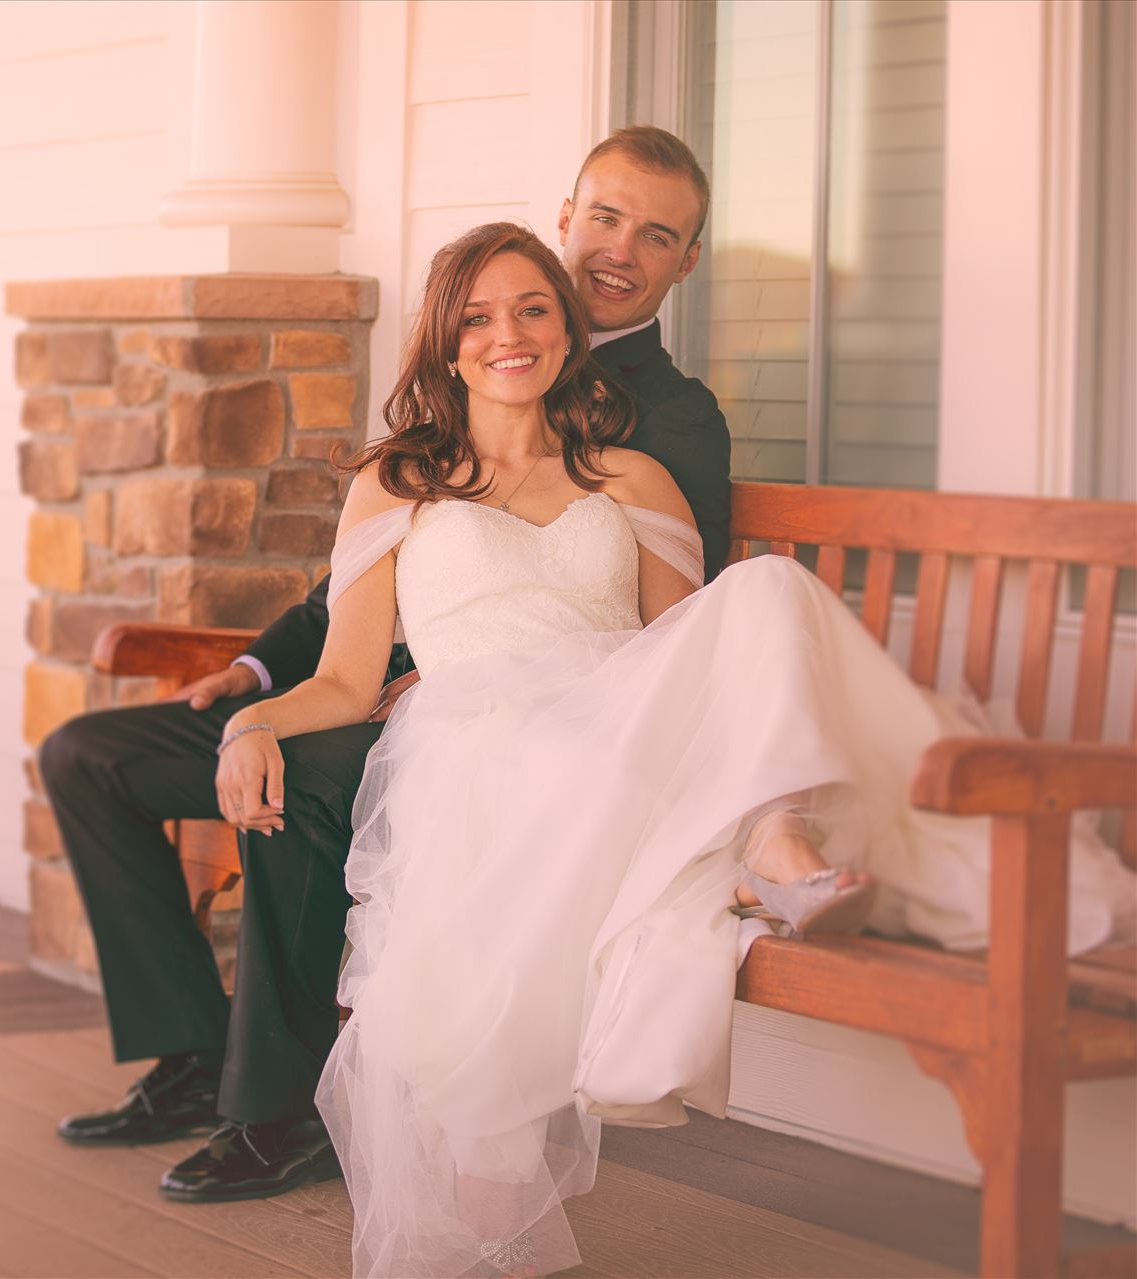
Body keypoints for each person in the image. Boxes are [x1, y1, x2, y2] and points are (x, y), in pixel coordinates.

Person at [211, 221, 1135, 1277]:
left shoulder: (634, 478)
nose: (506, 334)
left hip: (616, 729)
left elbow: (702, 660)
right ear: (445, 340)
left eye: (532, 309)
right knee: (527, 825)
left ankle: (776, 839)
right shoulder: (397, 483)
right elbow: (342, 677)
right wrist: (249, 721)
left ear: (567, 330)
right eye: (477, 317)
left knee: (768, 590)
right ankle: (489, 1232)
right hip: (477, 745)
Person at [41, 126, 732, 1202]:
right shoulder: (454, 398)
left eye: (654, 234)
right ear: (567, 221)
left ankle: (274, 1109)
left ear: (684, 260)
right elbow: (353, 583)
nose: (617, 249)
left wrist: (483, 674)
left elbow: (673, 622)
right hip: (360, 681)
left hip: (513, 727)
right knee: (93, 753)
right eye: (604, 217)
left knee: (301, 786)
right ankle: (190, 1053)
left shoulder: (662, 423)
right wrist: (257, 682)